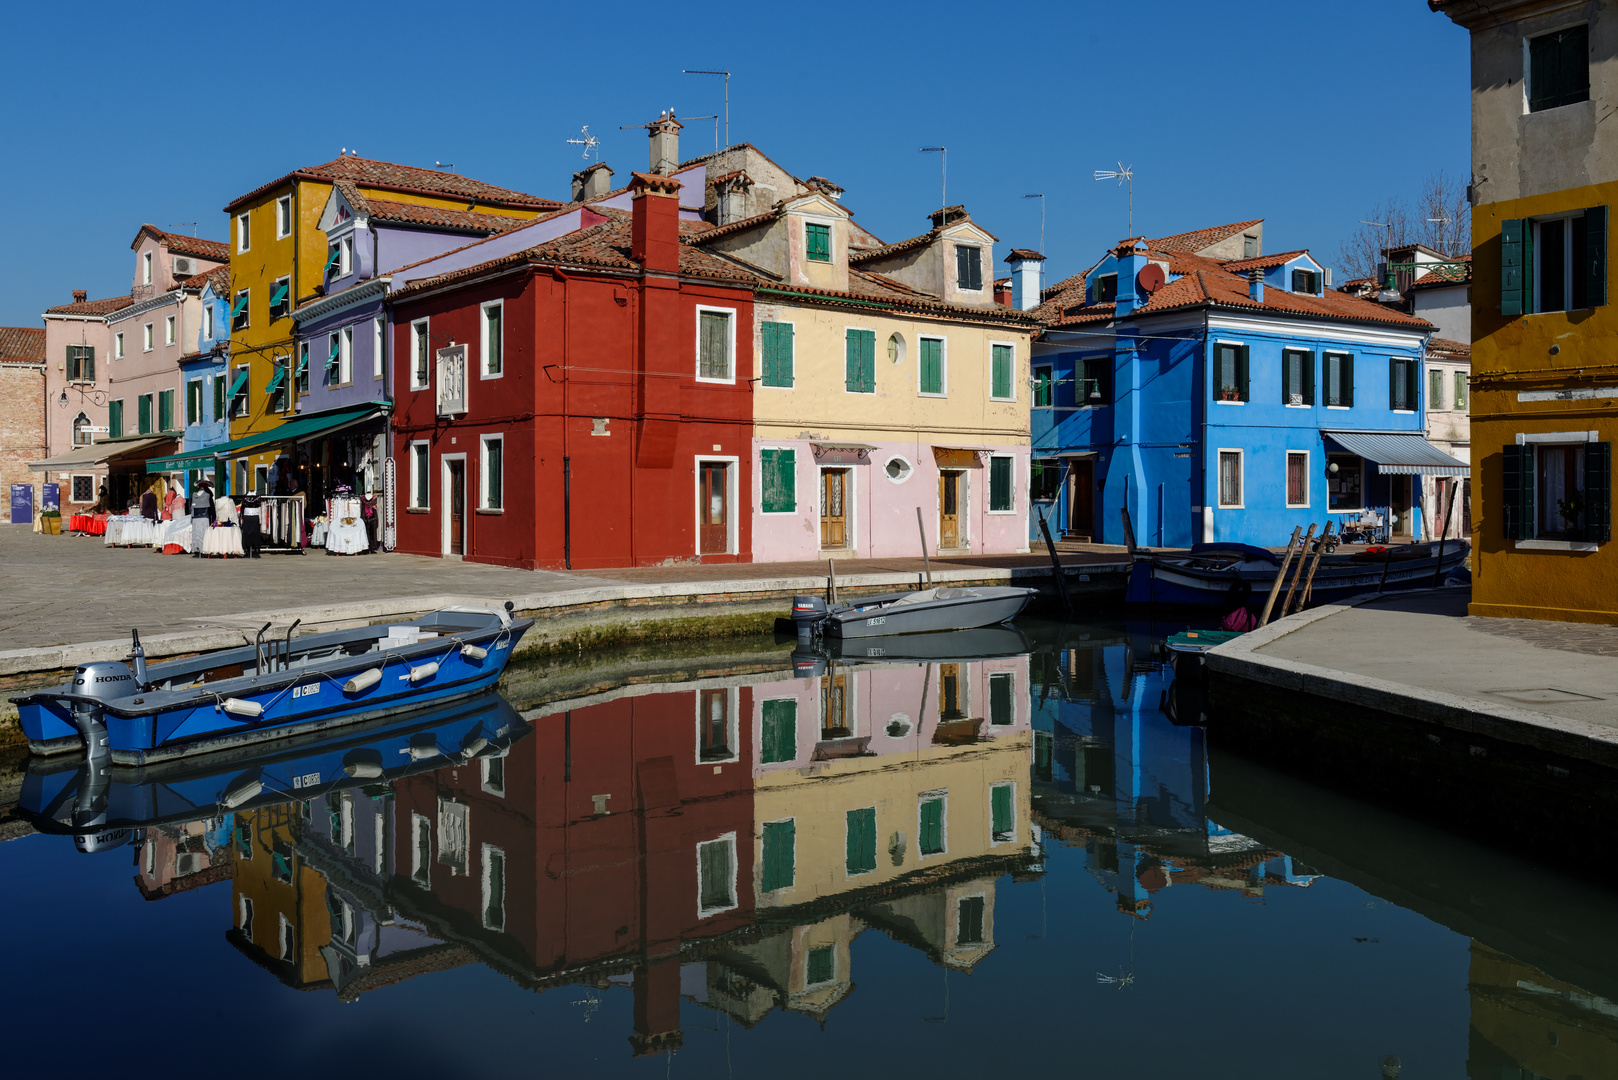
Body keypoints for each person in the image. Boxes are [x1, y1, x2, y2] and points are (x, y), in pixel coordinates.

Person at [190, 479, 214, 557]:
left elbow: (191, 508)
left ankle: (198, 550)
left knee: (197, 534)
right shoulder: (208, 495)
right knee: (203, 534)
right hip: (204, 517)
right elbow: (211, 508)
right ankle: (203, 549)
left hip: (196, 518)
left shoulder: (194, 495)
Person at [240, 489, 263, 558]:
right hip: (247, 516)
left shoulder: (257, 497)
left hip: (254, 516)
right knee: (247, 534)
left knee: (255, 533)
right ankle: (247, 550)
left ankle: (255, 550)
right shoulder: (255, 497)